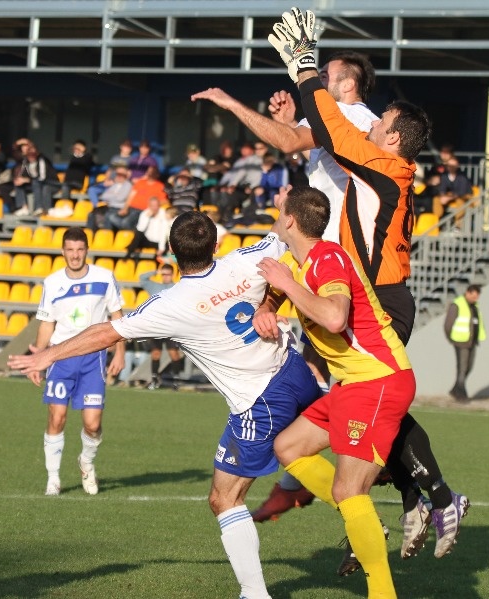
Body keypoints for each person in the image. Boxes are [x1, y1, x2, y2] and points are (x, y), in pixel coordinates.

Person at [194, 45, 468, 565]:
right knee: (350, 403)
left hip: (369, 294)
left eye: (327, 75)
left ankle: (424, 498)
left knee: (366, 396)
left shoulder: (366, 134)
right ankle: (393, 504)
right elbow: (303, 137)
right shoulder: (362, 137)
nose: (321, 79)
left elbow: (321, 133)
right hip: (350, 284)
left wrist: (299, 67)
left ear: (349, 88)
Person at [9, 210, 322, 599]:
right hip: (295, 370)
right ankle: (362, 480)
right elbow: (283, 234)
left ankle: (255, 593)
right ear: (217, 243)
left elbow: (106, 331)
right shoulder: (244, 258)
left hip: (257, 400)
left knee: (224, 499)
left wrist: (47, 355)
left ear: (171, 250)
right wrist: (283, 211)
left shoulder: (170, 304)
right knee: (305, 445)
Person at [254, 184, 416, 599]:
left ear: (290, 220)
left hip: (377, 379)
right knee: (289, 447)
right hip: (352, 382)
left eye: (279, 208)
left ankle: (383, 593)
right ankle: (358, 516)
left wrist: (285, 288)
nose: (276, 211)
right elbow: (277, 291)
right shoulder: (296, 259)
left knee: (348, 490)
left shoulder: (328, 257)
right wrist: (266, 308)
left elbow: (332, 314)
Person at [31, 227, 126, 496]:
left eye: (80, 250)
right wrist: (38, 358)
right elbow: (46, 324)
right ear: (63, 252)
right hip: (60, 357)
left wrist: (119, 353)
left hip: (93, 358)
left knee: (93, 424)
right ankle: (53, 478)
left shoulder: (104, 277)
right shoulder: (51, 282)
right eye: (70, 250)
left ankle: (86, 461)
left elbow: (118, 317)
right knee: (56, 417)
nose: (75, 255)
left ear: (86, 251)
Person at [136, 263, 184, 389]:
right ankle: (154, 379)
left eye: (168, 274)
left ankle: (176, 380)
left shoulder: (177, 287)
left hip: (171, 326)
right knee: (156, 353)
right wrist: (156, 271)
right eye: (163, 274)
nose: (165, 276)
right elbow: (142, 278)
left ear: (172, 274)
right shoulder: (154, 286)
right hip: (157, 325)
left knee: (173, 353)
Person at [444, 284, 485, 401]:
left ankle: (455, 389)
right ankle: (461, 394)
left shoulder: (474, 306)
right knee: (462, 368)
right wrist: (451, 339)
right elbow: (448, 324)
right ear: (467, 293)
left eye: (477, 297)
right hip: (461, 342)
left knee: (469, 367)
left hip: (472, 342)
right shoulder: (457, 305)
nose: (475, 299)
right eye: (473, 296)